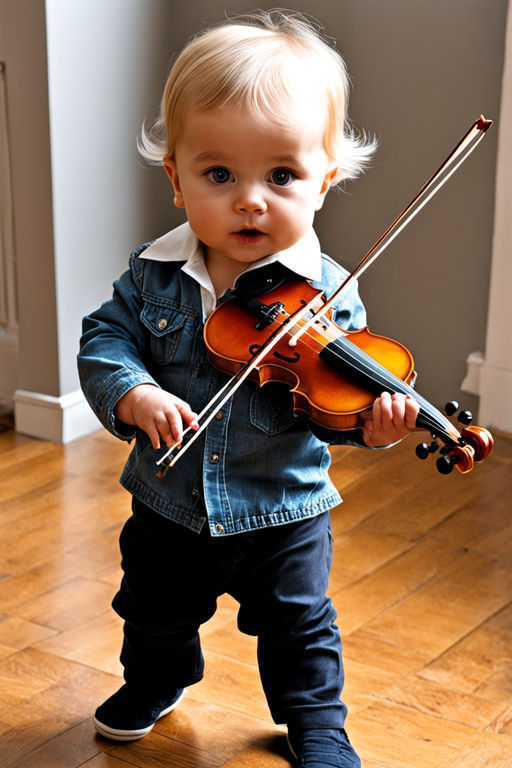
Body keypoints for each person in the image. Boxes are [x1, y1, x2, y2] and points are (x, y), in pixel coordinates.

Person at [78, 10, 419, 768]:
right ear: (176, 179)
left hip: (285, 507)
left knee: (300, 625)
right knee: (152, 607)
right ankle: (158, 679)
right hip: (170, 499)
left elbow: (328, 401)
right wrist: (133, 393)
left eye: (282, 176)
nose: (251, 199)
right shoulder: (153, 274)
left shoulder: (331, 298)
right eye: (219, 174)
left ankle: (316, 722)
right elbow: (105, 340)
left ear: (325, 181)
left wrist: (372, 426)